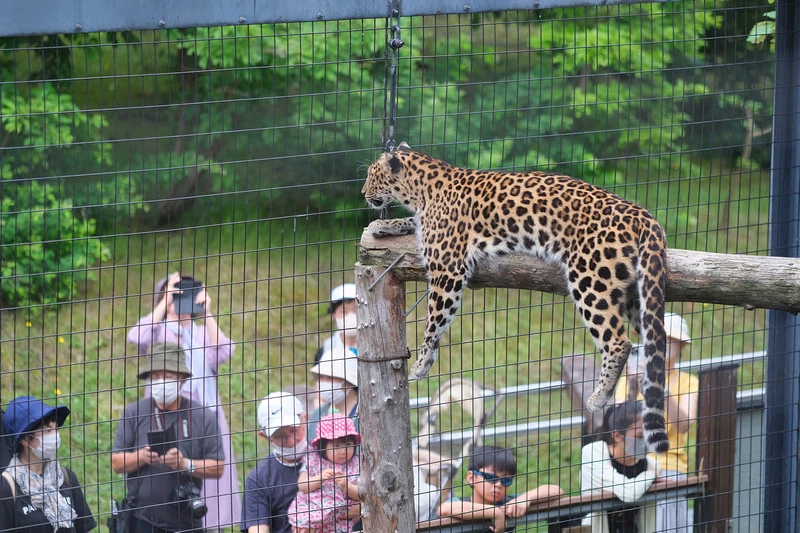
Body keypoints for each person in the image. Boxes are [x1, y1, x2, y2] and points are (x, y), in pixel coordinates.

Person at [128, 272, 240, 530]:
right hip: (163, 409)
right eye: (174, 294)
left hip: (203, 412)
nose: (180, 300)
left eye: (184, 294)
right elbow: (137, 337)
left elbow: (224, 351)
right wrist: (164, 301)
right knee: (164, 467)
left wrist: (207, 311)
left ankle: (207, 523)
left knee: (207, 466)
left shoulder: (201, 334)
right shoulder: (157, 331)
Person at [111, 342, 225, 533]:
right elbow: (116, 463)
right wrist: (142, 456)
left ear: (181, 379)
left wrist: (186, 464)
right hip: (142, 520)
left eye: (166, 376)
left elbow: (218, 467)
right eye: (154, 376)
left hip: (187, 520)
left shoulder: (202, 416)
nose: (160, 382)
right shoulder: (134, 412)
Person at [615, 312, 698, 532]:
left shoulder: (689, 382)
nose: (663, 343)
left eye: (670, 339)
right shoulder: (631, 377)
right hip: (632, 464)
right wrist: (633, 385)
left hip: (669, 466)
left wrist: (661, 387)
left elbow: (683, 425)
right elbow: (618, 422)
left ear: (682, 346)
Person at [0, 396, 97, 533]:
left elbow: (83, 528)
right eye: (47, 431)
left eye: (55, 428)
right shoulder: (7, 487)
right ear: (25, 440)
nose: (55, 436)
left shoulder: (65, 477)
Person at [438, 445, 563, 533]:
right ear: (471, 477)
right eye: (491, 477)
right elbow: (443, 509)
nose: (498, 484)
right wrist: (495, 512)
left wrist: (525, 498)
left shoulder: (508, 504)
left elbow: (557, 490)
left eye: (505, 480)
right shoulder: (461, 504)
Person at [581, 401, 658, 533]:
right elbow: (629, 493)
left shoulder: (649, 463)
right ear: (616, 436)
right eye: (640, 436)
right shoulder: (594, 453)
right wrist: (651, 475)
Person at [241, 392, 309, 533]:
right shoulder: (259, 477)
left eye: (294, 430)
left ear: (305, 419)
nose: (290, 441)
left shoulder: (328, 456)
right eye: (280, 436)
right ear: (265, 436)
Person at [289, 414, 361, 533]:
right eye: (336, 446)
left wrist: (347, 486)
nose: (343, 451)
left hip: (340, 517)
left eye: (348, 444)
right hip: (311, 511)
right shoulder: (313, 460)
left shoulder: (357, 463)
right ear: (323, 447)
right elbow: (302, 486)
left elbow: (362, 494)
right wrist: (320, 478)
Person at [308, 348, 359, 442]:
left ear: (350, 381)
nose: (324, 383)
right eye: (320, 377)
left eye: (331, 377)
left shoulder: (364, 413)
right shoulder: (318, 414)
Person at [314, 283, 358, 363]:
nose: (351, 316)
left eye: (356, 310)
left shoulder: (378, 344)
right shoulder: (327, 349)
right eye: (343, 311)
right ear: (333, 315)